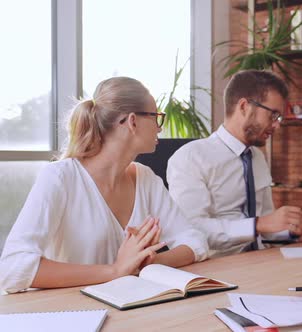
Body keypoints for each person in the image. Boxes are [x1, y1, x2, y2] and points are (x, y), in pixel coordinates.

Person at [0, 77, 209, 293]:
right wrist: (115, 271)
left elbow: (195, 241)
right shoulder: (59, 178)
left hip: (130, 308)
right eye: (156, 117)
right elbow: (13, 268)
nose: (159, 128)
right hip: (72, 313)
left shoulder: (145, 178)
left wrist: (146, 263)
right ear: (132, 121)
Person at [167, 70, 302, 256]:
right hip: (218, 269)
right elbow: (190, 230)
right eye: (273, 115)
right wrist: (259, 224)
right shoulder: (191, 157)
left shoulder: (257, 158)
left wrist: (291, 230)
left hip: (261, 261)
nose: (277, 125)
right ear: (244, 107)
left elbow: (264, 230)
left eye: (279, 118)